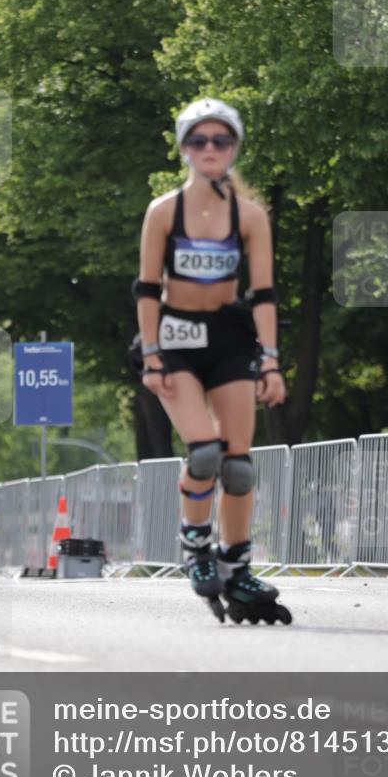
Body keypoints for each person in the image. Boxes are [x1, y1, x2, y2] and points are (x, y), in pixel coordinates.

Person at [132, 97, 292, 625]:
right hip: (175, 336)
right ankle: (196, 547)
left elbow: (264, 292)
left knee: (238, 464)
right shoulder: (163, 211)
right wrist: (151, 353)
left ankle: (237, 566)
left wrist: (270, 361)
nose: (210, 149)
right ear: (183, 148)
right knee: (203, 452)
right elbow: (147, 287)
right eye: (199, 140)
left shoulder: (249, 216)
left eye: (221, 140)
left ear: (234, 148)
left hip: (227, 336)